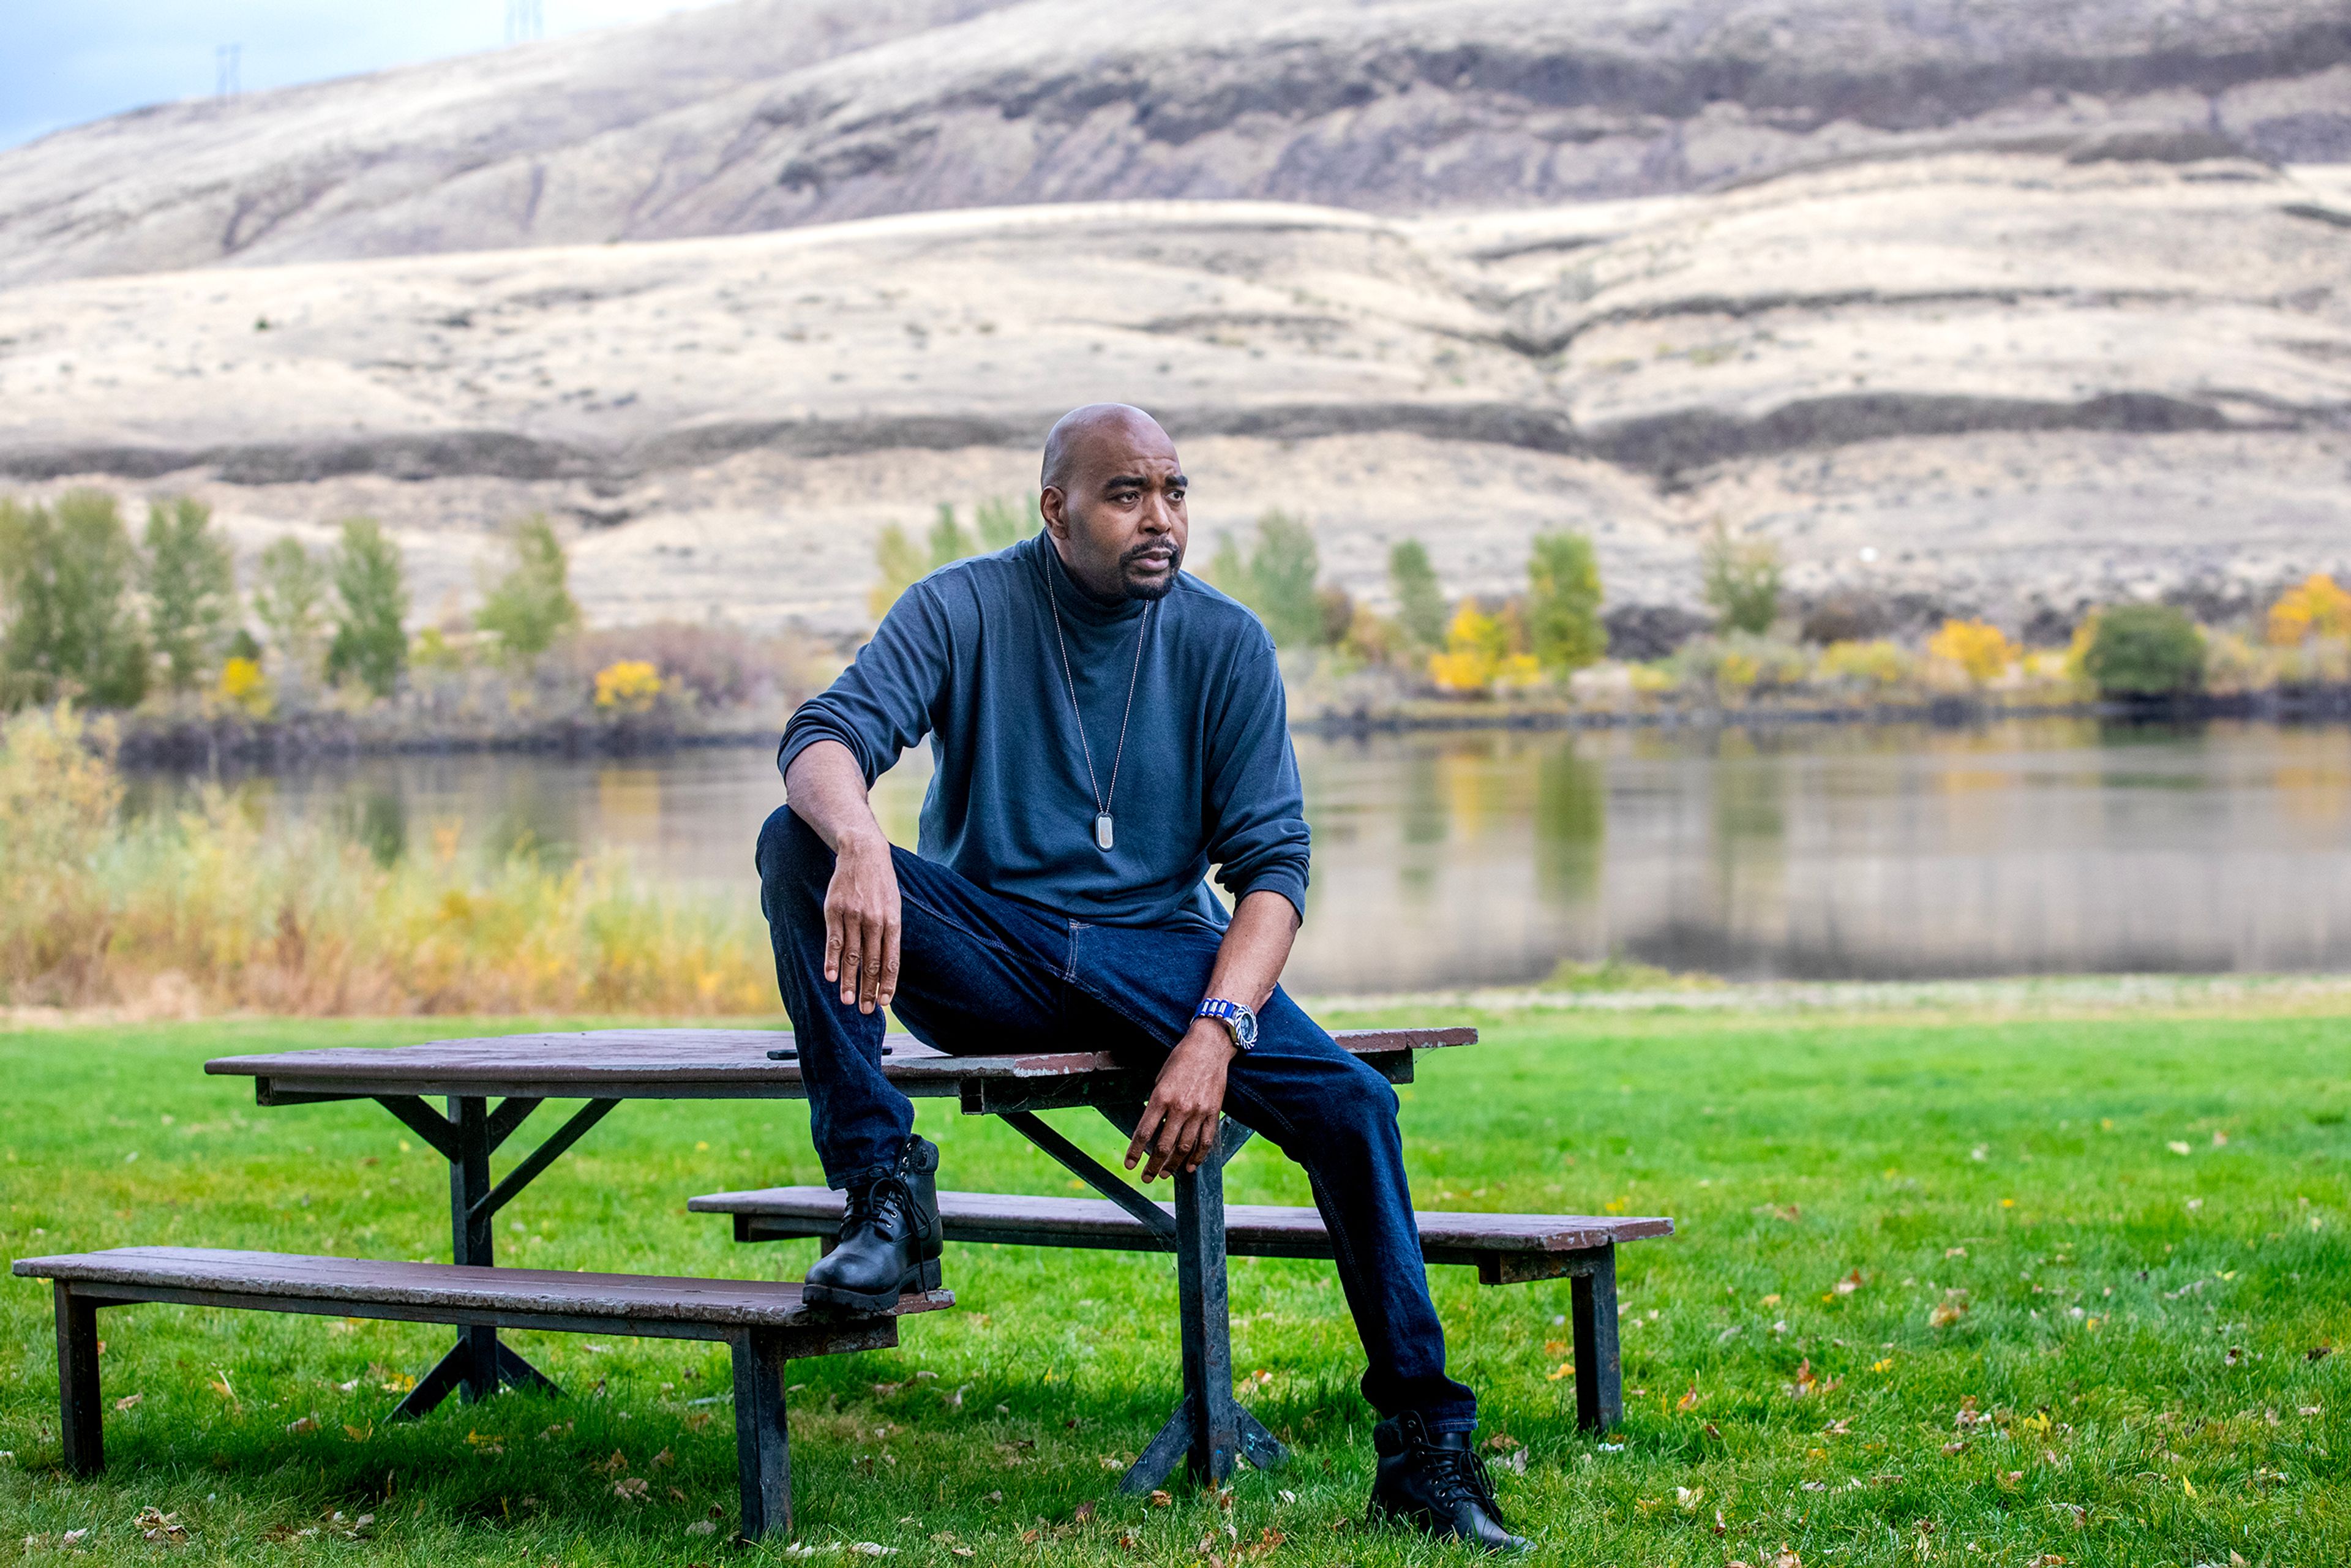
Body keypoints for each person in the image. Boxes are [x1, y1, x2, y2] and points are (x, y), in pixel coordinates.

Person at [757, 403, 1525, 1550]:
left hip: (1166, 955)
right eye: (1127, 495)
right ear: (1057, 511)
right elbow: (823, 735)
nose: (1159, 518)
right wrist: (862, 844)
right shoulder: (967, 604)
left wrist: (1215, 1031)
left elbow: (1274, 869)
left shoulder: (1226, 640)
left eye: (1174, 490)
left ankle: (1425, 1453)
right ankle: (885, 1193)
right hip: (994, 949)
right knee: (794, 840)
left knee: (1357, 1110)